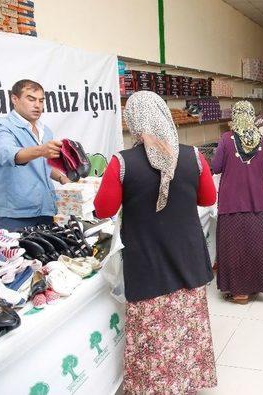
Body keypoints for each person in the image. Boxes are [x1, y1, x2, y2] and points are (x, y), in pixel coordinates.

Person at [93, 91, 218, 393]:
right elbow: (209, 198)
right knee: (187, 324)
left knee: (152, 329)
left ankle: (155, 385)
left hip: (147, 259)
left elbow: (104, 209)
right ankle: (187, 380)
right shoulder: (193, 157)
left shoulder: (122, 163)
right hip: (186, 255)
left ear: (133, 121)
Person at [0, 79, 70, 232]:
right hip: (14, 217)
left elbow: (41, 165)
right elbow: (7, 154)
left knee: (51, 255)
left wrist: (61, 178)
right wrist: (41, 150)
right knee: (17, 256)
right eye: (31, 99)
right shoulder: (1, 126)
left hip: (46, 211)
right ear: (14, 99)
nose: (37, 105)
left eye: (41, 100)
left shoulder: (46, 130)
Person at [212, 101, 263, 305]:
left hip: (232, 203)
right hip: (257, 202)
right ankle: (253, 287)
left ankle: (238, 292)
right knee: (255, 246)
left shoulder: (226, 140)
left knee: (234, 247)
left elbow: (216, 167)